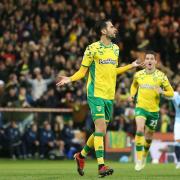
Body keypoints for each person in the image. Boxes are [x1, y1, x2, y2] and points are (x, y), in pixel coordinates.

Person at [56, 19, 141, 177]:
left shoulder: (115, 49)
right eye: (111, 26)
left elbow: (113, 71)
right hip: (95, 94)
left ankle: (81, 156)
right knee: (101, 130)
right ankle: (101, 166)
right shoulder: (92, 48)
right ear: (103, 31)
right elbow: (82, 72)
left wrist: (131, 65)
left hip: (109, 95)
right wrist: (70, 78)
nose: (115, 29)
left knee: (99, 132)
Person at [130, 50, 174, 171]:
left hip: (154, 111)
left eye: (151, 59)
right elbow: (134, 85)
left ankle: (144, 156)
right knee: (139, 129)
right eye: (147, 58)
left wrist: (162, 92)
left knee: (148, 137)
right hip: (141, 107)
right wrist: (132, 94)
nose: (149, 60)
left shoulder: (161, 76)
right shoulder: (138, 75)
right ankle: (138, 160)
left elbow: (171, 93)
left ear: (155, 61)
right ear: (145, 61)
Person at [172, 84, 180, 169]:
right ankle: (178, 161)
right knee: (177, 141)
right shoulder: (174, 95)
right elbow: (166, 94)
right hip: (178, 122)